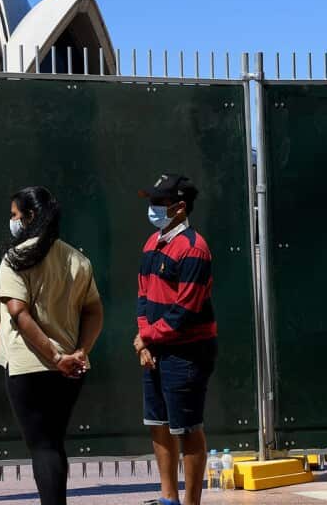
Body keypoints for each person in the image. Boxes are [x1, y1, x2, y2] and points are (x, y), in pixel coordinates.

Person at [0, 186, 104, 505]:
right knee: (53, 444)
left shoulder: (15, 259)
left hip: (29, 365)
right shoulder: (76, 258)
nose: (11, 222)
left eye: (15, 216)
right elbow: (95, 309)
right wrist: (81, 350)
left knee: (41, 446)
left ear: (29, 217)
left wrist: (55, 357)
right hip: (70, 368)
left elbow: (18, 312)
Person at [135, 174, 217, 505]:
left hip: (187, 353)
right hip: (155, 348)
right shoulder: (151, 243)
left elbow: (185, 309)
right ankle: (168, 498)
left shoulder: (195, 249)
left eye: (160, 204)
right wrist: (144, 337)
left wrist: (147, 338)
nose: (153, 209)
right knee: (158, 423)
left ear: (180, 208)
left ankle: (190, 502)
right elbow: (143, 293)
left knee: (186, 428)